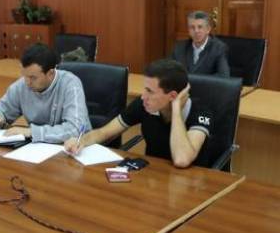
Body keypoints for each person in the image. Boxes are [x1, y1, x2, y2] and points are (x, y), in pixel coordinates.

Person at [65, 59, 212, 168]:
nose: (143, 96)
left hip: (192, 186)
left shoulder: (200, 112)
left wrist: (176, 110)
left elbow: (182, 159)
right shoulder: (144, 104)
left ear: (173, 96)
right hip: (153, 176)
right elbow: (104, 132)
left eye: (150, 91)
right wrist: (81, 141)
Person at [0, 43, 91, 143]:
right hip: (37, 149)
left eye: (33, 77)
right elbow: (0, 110)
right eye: (24, 75)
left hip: (75, 149)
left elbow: (74, 130)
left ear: (50, 73)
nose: (27, 82)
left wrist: (31, 132)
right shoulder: (21, 86)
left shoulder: (70, 84)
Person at [171, 10, 230, 77]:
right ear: (188, 30)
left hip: (207, 87)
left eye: (200, 27)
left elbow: (223, 76)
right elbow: (169, 72)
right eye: (192, 27)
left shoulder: (219, 48)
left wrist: (198, 81)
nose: (196, 31)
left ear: (208, 29)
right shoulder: (180, 48)